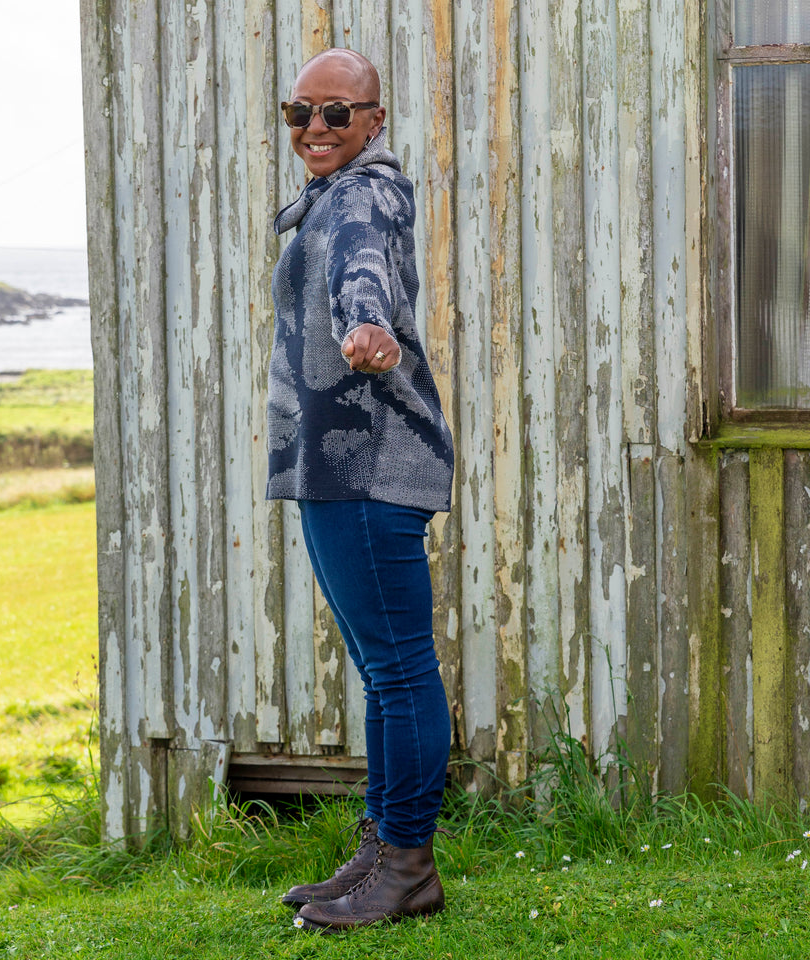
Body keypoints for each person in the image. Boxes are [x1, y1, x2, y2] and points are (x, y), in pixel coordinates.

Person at [266, 47, 455, 932]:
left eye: (336, 113)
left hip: (370, 462)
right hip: (337, 463)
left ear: (373, 122)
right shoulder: (328, 197)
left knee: (399, 670)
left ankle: (409, 863)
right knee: (382, 676)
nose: (315, 128)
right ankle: (382, 851)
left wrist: (369, 324)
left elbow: (361, 270)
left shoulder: (365, 194)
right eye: (299, 111)